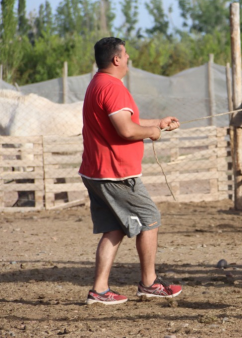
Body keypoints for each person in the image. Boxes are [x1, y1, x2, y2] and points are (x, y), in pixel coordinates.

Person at [80, 37, 182, 305]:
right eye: (125, 56)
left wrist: (158, 123)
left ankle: (99, 290)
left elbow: (124, 122)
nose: (128, 60)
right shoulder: (113, 88)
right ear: (116, 59)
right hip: (117, 173)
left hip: (96, 172)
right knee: (150, 218)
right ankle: (149, 283)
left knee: (113, 229)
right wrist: (152, 133)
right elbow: (126, 130)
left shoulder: (96, 84)